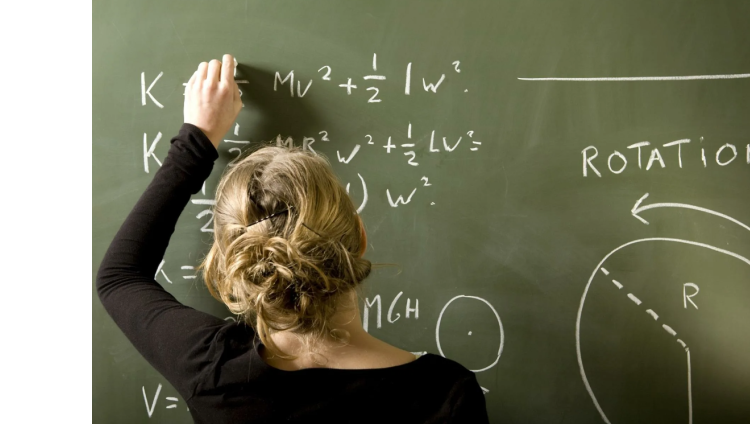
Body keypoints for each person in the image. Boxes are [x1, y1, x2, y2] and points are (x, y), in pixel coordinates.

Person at [96, 54, 489, 423]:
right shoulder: (446, 394)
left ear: (235, 260)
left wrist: (196, 140)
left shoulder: (213, 373)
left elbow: (119, 276)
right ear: (360, 236)